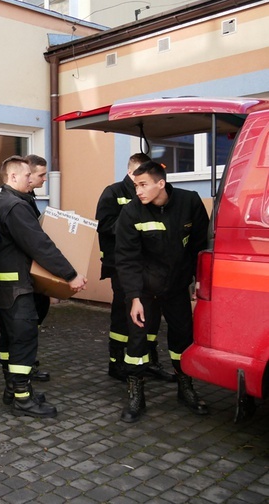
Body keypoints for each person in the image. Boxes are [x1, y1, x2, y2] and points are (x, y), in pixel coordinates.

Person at [0, 156, 87, 418]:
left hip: (1, 285)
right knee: (24, 339)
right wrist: (70, 275)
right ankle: (23, 398)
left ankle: (11, 389)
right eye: (28, 175)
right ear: (13, 177)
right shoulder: (15, 206)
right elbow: (39, 244)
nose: (32, 179)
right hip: (16, 286)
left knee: (9, 339)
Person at [115, 161, 210, 423]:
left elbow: (201, 247)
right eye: (135, 185)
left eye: (143, 184)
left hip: (177, 287)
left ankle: (185, 387)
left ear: (161, 183)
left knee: (182, 338)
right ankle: (136, 394)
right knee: (137, 341)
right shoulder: (132, 212)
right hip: (144, 291)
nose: (139, 191)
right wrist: (134, 298)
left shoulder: (189, 202)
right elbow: (126, 258)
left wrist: (198, 282)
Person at [96, 153, 175, 383]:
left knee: (151, 314)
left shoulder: (151, 195)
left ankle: (149, 360)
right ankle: (117, 362)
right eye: (139, 174)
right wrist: (132, 221)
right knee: (123, 314)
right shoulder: (113, 192)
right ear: (130, 172)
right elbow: (105, 226)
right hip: (121, 265)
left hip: (149, 268)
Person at [25, 154, 51, 383]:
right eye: (41, 175)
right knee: (28, 322)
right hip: (26, 275)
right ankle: (25, 368)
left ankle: (30, 364)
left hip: (34, 272)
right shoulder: (18, 201)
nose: (44, 180)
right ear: (27, 174)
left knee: (39, 313)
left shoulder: (29, 197)